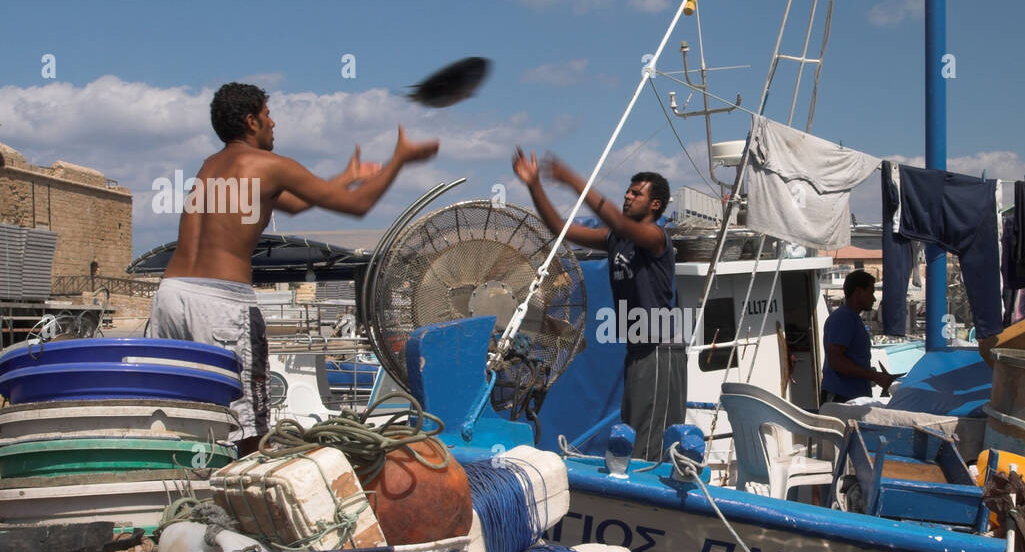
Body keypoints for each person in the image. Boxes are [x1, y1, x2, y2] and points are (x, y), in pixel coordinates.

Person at [146, 82, 440, 455]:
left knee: (179, 409)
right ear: (251, 121)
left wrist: (346, 176)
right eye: (268, 115)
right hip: (220, 304)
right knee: (246, 425)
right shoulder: (270, 165)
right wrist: (399, 158)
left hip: (171, 295)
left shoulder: (211, 167)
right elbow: (358, 206)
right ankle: (246, 505)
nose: (274, 123)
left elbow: (294, 205)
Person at [513, 147, 685, 460]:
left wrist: (574, 182)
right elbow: (559, 228)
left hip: (660, 348)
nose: (628, 196)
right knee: (632, 433)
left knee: (649, 446)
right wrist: (534, 184)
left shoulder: (655, 236)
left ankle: (647, 499)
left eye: (636, 193)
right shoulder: (615, 239)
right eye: (627, 191)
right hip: (637, 348)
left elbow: (620, 224)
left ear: (655, 204)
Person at [821, 270, 897, 404]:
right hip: (842, 398)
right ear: (858, 292)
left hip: (852, 397)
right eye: (871, 292)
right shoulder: (844, 318)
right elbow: (836, 360)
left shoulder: (850, 317)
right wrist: (874, 376)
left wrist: (870, 373)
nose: (873, 298)